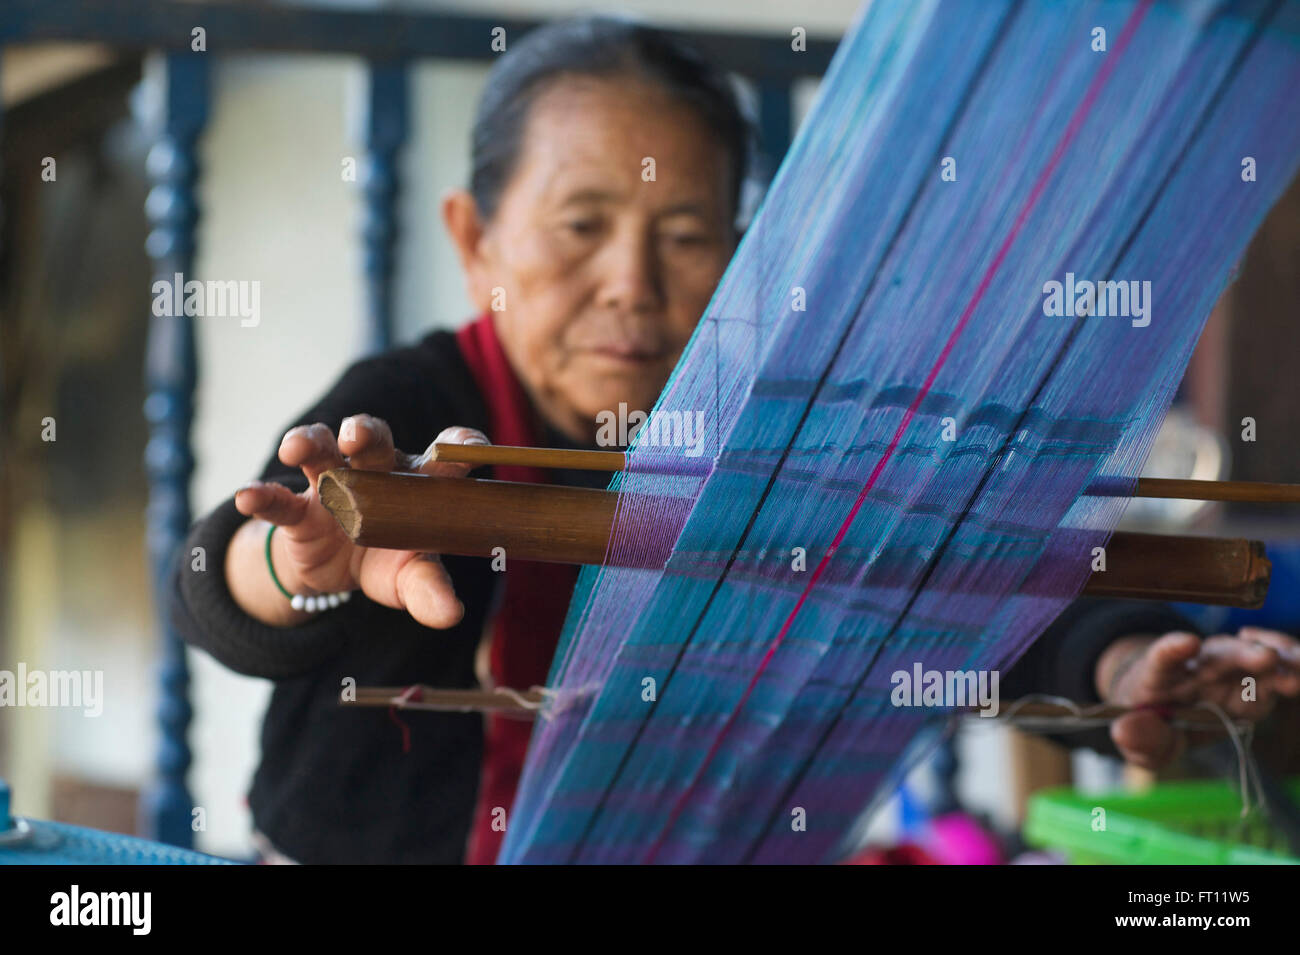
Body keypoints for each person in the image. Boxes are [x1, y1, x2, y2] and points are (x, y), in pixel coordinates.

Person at [170, 15, 1299, 864]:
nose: (631, 283)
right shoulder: (409, 409)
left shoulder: (761, 448)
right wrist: (296, 563)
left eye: (684, 234)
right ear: (475, 241)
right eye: (579, 227)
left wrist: (1125, 667)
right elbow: (219, 582)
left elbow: (949, 586)